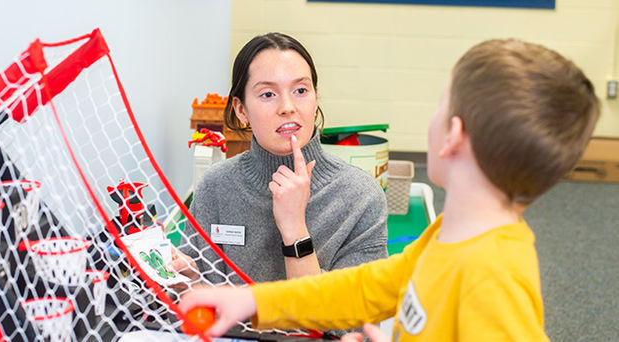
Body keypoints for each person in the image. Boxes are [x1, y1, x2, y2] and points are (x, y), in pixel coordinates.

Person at [178, 38, 600, 341]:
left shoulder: (493, 276)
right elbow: (360, 289)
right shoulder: (445, 237)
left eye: (440, 103)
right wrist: (254, 303)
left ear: (452, 135)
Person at [170, 32, 388, 285]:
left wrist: (295, 227)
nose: (287, 107)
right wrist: (188, 281)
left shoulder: (361, 197)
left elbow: (350, 319)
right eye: (267, 94)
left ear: (316, 99)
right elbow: (199, 303)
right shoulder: (215, 186)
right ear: (241, 110)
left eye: (300, 90)